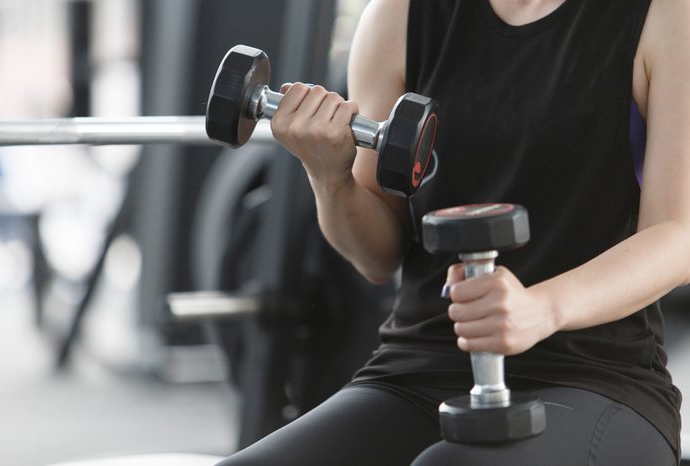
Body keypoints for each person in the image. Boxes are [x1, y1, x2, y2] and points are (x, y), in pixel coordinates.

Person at [218, 0, 687, 464]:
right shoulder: (398, 16)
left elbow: (678, 235)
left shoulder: (665, 15)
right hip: (415, 370)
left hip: (593, 376)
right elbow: (375, 258)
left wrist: (541, 308)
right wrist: (328, 175)